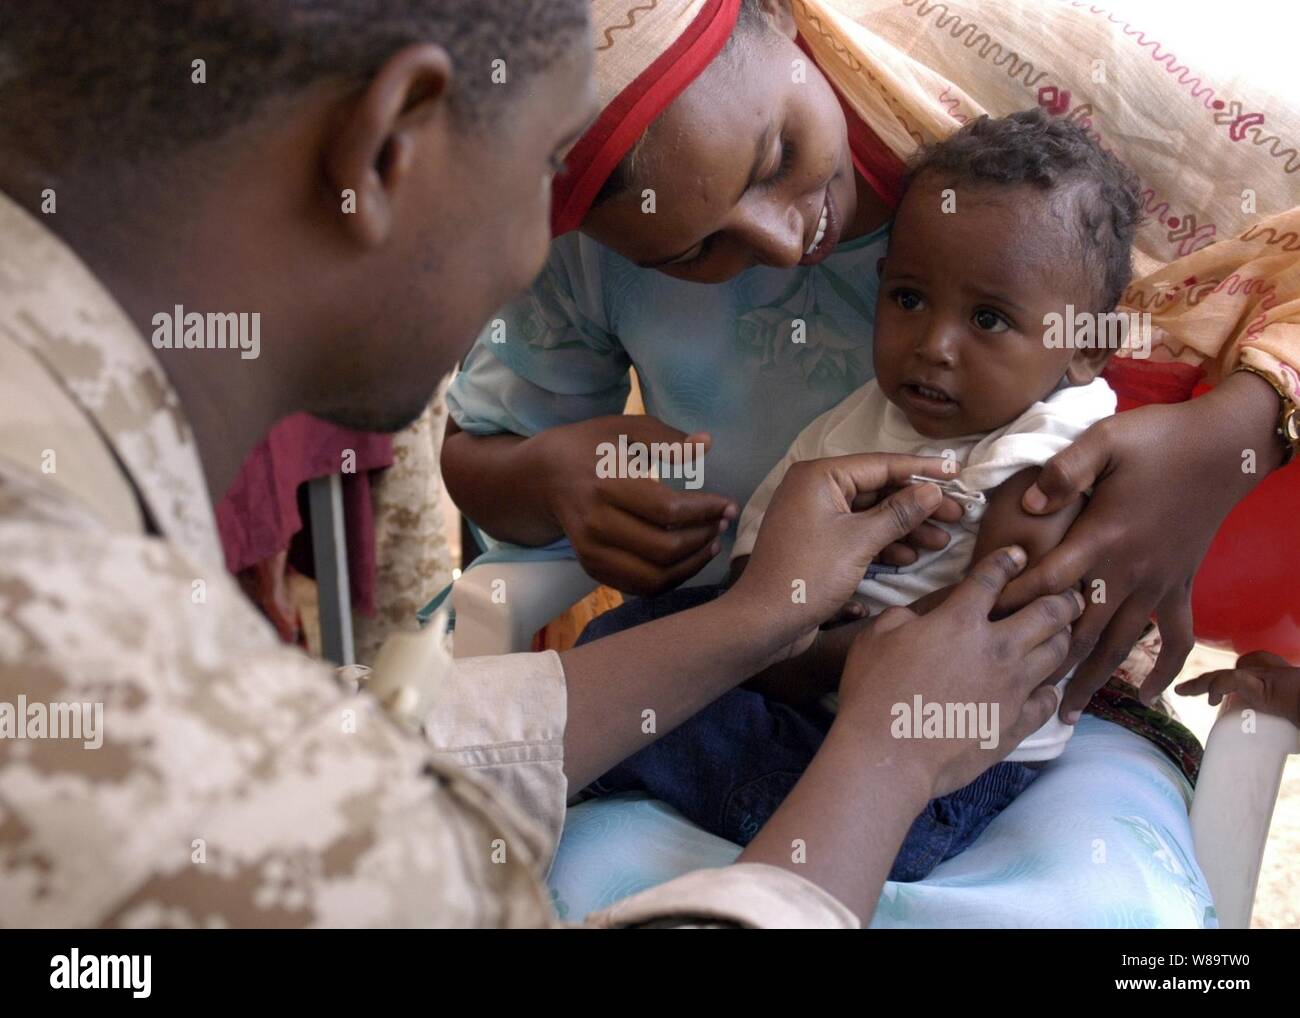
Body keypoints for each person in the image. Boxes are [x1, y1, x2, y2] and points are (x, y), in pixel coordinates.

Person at [0, 0, 1080, 927]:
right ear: (387, 150)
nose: (551, 243)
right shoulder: (132, 709)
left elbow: (349, 760)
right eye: (549, 167)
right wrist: (885, 760)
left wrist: (756, 621)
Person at [442, 0, 1300, 724]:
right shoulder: (581, 240)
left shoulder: (1023, 93)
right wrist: (552, 479)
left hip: (1015, 693)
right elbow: (474, 458)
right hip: (723, 660)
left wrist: (1233, 430)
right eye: (690, 251)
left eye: (776, 156)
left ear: (783, 15)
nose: (783, 242)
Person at [585, 109, 1141, 877]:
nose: (933, 346)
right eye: (909, 299)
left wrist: (797, 655)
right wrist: (769, 622)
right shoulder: (865, 415)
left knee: (666, 721)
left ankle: (792, 812)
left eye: (987, 318)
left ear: (1084, 349)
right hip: (815, 675)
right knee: (621, 643)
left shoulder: (1053, 443)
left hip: (952, 742)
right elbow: (759, 571)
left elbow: (999, 634)